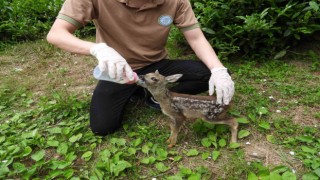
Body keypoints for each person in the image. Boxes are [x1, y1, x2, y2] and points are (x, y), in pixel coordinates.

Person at [47, 0, 235, 136]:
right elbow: (56, 34)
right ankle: (137, 91)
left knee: (206, 73)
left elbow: (195, 37)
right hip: (119, 70)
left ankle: (153, 97)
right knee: (102, 127)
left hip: (156, 67)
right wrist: (97, 49)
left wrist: (219, 70)